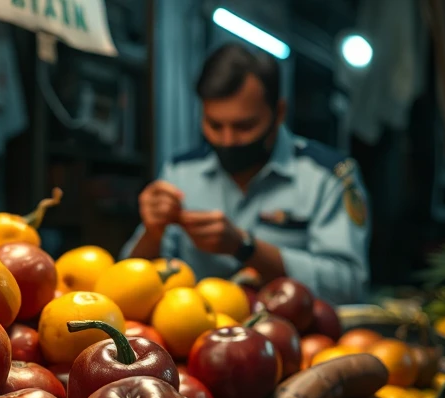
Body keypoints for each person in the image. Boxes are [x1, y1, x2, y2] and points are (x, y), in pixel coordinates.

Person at [122, 43, 371, 304]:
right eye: (214, 125)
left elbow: (349, 284)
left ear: (279, 113)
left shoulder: (327, 177)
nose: (227, 140)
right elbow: (130, 286)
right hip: (192, 333)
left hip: (293, 336)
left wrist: (246, 247)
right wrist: (152, 232)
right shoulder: (181, 172)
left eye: (244, 126)